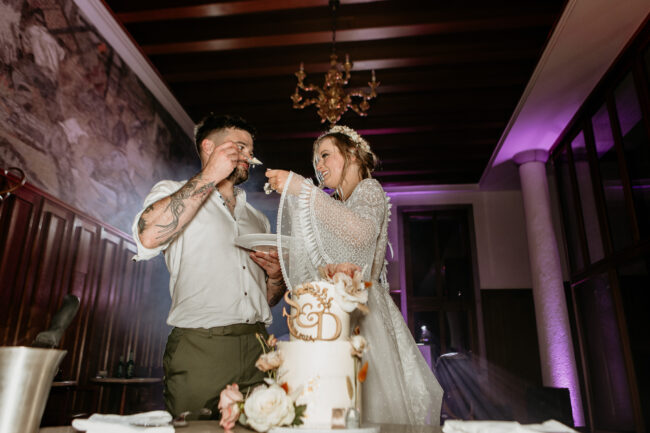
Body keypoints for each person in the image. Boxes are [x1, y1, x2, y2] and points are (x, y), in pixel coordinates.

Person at [265, 125, 444, 425]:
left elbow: (360, 234)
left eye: (325, 155)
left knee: (365, 406)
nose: (318, 165)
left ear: (352, 154)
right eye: (315, 161)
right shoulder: (339, 205)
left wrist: (302, 188)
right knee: (335, 407)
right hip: (335, 314)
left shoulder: (369, 189)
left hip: (364, 317)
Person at [131, 114, 286, 419]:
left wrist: (276, 278)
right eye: (239, 146)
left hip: (258, 349)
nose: (248, 156)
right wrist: (211, 175)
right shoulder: (171, 191)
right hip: (200, 348)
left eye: (250, 150)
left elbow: (265, 299)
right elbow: (148, 236)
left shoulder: (258, 219)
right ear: (208, 147)